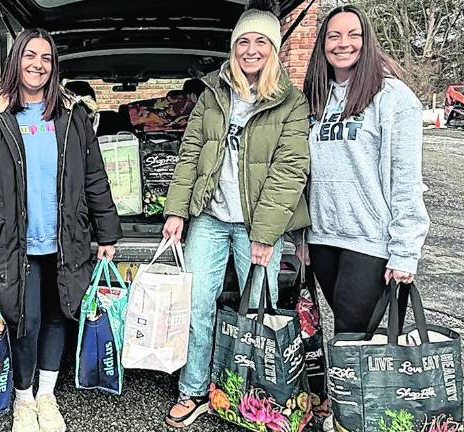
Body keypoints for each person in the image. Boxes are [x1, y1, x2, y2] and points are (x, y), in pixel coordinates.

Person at [0, 28, 121, 432]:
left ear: (54, 65)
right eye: (30, 55)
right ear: (16, 60)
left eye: (46, 58)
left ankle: (46, 395)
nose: (37, 65)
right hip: (13, 242)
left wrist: (107, 232)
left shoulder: (73, 115)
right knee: (22, 320)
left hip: (66, 239)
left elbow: (95, 176)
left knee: (60, 313)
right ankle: (23, 399)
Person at [161, 7, 311, 428]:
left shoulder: (290, 102)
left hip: (256, 226)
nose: (250, 50)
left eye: (261, 41)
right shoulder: (213, 94)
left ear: (274, 50)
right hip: (209, 219)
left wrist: (265, 234)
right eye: (243, 42)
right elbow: (191, 153)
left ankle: (256, 397)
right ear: (233, 49)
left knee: (260, 312)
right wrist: (176, 210)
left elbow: (290, 169)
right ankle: (194, 390)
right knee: (197, 305)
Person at [301, 5, 430, 337]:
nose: (343, 43)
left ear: (367, 41)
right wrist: (301, 235)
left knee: (350, 335)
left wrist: (405, 251)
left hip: (370, 241)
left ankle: (351, 392)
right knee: (349, 338)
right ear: (322, 44)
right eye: (334, 35)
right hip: (323, 237)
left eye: (353, 35)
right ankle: (348, 390)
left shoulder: (393, 98)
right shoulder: (315, 98)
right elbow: (304, 172)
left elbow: (405, 177)